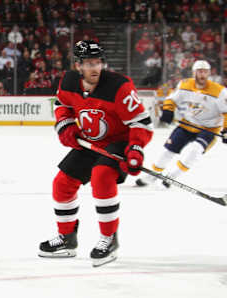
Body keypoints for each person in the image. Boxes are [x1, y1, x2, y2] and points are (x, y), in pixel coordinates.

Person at [38, 40, 153, 267]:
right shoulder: (69, 81)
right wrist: (66, 125)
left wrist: (136, 148)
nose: (95, 68)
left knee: (101, 176)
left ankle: (109, 238)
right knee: (62, 183)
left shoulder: (119, 87)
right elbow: (61, 105)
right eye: (89, 63)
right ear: (78, 65)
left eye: (98, 62)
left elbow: (142, 123)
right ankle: (67, 239)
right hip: (89, 142)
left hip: (118, 143)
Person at [135, 60, 227, 188]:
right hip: (187, 124)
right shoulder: (185, 84)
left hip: (209, 129)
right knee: (168, 150)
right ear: (194, 72)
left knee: (195, 150)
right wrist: (168, 110)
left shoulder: (219, 91)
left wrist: (226, 129)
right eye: (199, 71)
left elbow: (226, 112)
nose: (202, 74)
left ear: (209, 73)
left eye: (205, 72)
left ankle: (172, 177)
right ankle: (153, 175)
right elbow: (171, 100)